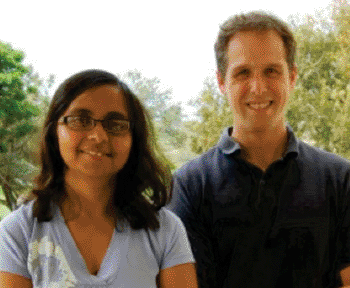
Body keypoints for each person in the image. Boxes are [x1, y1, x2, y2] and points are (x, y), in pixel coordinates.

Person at [168, 12, 350, 288]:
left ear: (292, 77)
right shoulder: (189, 186)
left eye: (271, 71)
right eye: (243, 73)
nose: (258, 87)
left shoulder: (340, 179)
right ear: (221, 82)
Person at [0, 69, 198, 288]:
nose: (98, 136)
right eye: (81, 120)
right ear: (54, 131)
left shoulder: (165, 230)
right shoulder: (18, 232)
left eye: (116, 124)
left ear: (134, 139)